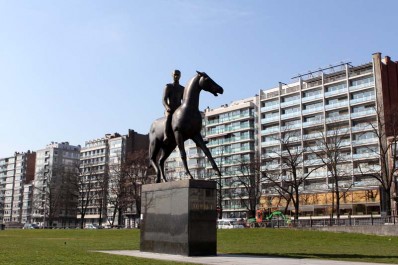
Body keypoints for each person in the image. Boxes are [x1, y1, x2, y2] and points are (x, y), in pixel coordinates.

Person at [163, 69, 185, 143]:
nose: (176, 76)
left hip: (178, 110)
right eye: (175, 74)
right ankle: (166, 134)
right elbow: (164, 99)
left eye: (178, 75)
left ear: (180, 76)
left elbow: (184, 100)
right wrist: (167, 107)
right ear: (172, 75)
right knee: (169, 116)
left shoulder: (182, 88)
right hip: (170, 109)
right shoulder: (168, 86)